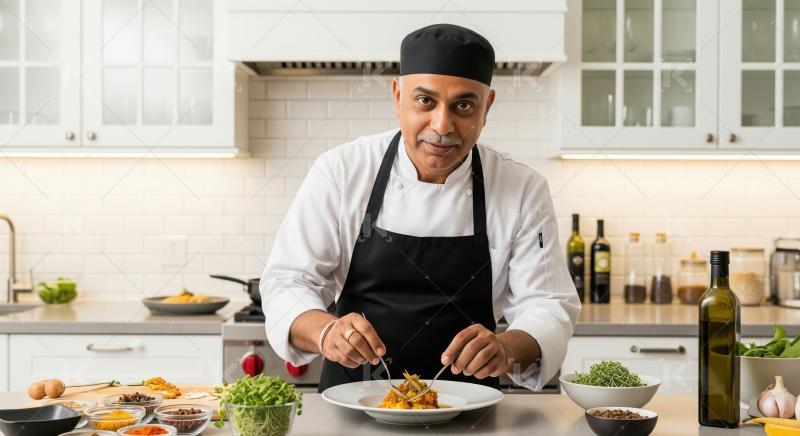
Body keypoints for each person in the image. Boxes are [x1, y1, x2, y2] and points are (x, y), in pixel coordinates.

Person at [261, 23, 581, 392]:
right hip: (353, 406)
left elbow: (547, 303)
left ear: (487, 106)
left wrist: (506, 348)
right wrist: (326, 330)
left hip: (469, 410)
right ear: (398, 97)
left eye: (463, 105)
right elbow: (288, 280)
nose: (442, 125)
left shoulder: (521, 188)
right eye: (425, 101)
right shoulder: (342, 171)